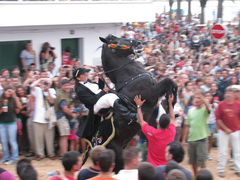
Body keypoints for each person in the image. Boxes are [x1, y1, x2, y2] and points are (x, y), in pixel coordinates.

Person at [73, 68, 136, 139]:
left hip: (100, 99)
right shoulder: (79, 89)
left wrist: (100, 78)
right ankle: (129, 115)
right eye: (83, 74)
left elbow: (100, 87)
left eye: (86, 73)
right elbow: (91, 101)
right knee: (109, 97)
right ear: (78, 78)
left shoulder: (89, 82)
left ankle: (131, 108)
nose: (86, 74)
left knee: (117, 93)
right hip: (94, 106)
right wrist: (103, 92)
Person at [134, 94, 176, 167]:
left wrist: (138, 106)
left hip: (152, 167)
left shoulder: (152, 133)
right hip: (165, 168)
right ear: (168, 124)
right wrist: (170, 103)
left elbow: (141, 121)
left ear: (158, 122)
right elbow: (172, 118)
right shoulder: (172, 131)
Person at [182, 93, 210, 177]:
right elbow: (187, 126)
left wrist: (203, 99)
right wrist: (184, 139)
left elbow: (208, 108)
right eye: (195, 98)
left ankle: (203, 177)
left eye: (199, 98)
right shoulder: (190, 111)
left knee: (202, 162)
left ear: (202, 101)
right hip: (191, 140)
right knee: (192, 161)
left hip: (202, 139)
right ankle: (196, 176)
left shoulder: (205, 110)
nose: (196, 100)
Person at [215, 88, 240, 177]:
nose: (228, 95)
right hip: (223, 132)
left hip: (236, 131)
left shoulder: (238, 104)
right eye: (227, 93)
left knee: (237, 151)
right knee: (222, 151)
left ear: (233, 95)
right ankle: (221, 170)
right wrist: (225, 128)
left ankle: (238, 168)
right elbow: (218, 119)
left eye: (230, 93)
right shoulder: (221, 105)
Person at [30, 78, 56, 160]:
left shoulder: (52, 90)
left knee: (50, 138)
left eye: (47, 83)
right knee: (38, 139)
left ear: (50, 84)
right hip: (38, 118)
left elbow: (53, 101)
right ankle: (40, 154)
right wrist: (40, 79)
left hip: (49, 119)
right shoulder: (38, 90)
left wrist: (47, 90)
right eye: (44, 83)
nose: (45, 84)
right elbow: (31, 86)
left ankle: (51, 154)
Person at [0, 86, 22, 164]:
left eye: (11, 91)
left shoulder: (13, 99)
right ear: (5, 91)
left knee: (12, 141)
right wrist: (3, 106)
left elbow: (19, 108)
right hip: (2, 123)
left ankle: (14, 158)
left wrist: (15, 97)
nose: (10, 93)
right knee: (4, 141)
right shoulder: (1, 99)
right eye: (8, 91)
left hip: (12, 123)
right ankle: (6, 157)